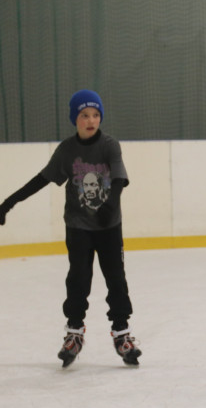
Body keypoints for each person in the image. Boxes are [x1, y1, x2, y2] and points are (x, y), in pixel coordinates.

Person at [0, 89, 141, 367]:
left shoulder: (110, 145)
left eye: (96, 114)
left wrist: (110, 205)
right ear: (74, 119)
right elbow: (41, 179)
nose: (91, 120)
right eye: (85, 115)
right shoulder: (67, 151)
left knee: (116, 279)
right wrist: (9, 202)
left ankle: (122, 333)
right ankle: (74, 333)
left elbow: (119, 178)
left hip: (109, 227)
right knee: (78, 279)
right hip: (78, 226)